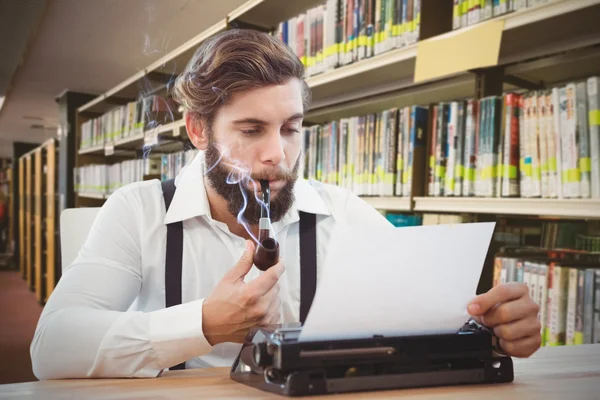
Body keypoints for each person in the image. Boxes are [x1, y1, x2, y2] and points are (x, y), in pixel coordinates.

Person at [30, 29, 541, 380]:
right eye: (251, 130)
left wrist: (494, 331)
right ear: (197, 130)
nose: (278, 154)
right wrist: (203, 324)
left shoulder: (340, 213)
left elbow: (435, 317)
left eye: (291, 129)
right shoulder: (136, 212)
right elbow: (51, 347)